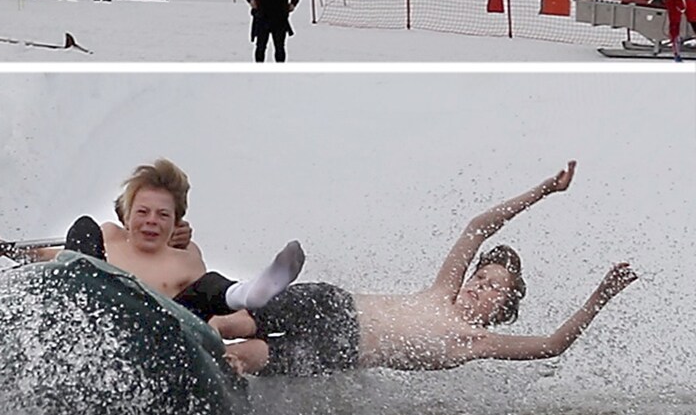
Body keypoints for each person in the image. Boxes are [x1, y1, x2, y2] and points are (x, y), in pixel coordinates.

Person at [221, 162, 639, 376]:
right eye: (479, 276)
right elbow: (478, 227)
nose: (478, 285)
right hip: (334, 304)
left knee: (253, 356)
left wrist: (601, 296)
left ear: (504, 307)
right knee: (243, 321)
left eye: (493, 287)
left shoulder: (476, 341)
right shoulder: (442, 291)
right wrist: (545, 190)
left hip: (342, 350)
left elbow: (552, 345)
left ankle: (223, 365)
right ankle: (208, 324)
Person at [0, 159, 307, 367]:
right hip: (93, 325)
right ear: (127, 216)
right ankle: (86, 300)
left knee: (204, 288)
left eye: (163, 215)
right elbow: (49, 257)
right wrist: (3, 249)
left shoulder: (184, 258)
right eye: (143, 213)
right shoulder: (108, 239)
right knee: (83, 228)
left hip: (162, 345)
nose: (151, 222)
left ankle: (249, 292)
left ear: (176, 222)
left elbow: (210, 320)